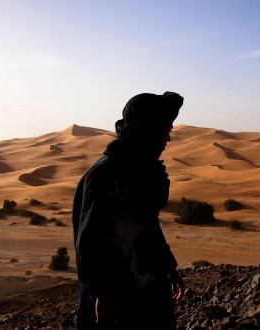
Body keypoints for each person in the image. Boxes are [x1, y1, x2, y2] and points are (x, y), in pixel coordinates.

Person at [72, 91, 185, 329]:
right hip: (117, 295)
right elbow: (88, 242)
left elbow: (146, 225)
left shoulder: (142, 169)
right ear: (149, 130)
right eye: (167, 130)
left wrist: (168, 267)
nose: (168, 138)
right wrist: (103, 295)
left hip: (149, 287)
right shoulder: (105, 174)